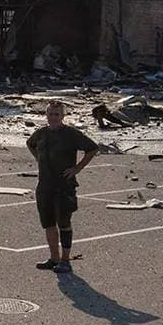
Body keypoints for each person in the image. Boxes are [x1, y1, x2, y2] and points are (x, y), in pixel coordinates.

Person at [26, 101, 99, 274]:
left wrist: (77, 169)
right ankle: (54, 258)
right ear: (46, 115)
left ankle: (66, 260)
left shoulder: (71, 134)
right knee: (48, 223)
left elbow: (92, 148)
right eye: (50, 114)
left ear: (63, 116)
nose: (53, 118)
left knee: (64, 223)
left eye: (57, 114)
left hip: (64, 187)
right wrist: (39, 158)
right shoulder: (41, 133)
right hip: (44, 185)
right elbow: (30, 144)